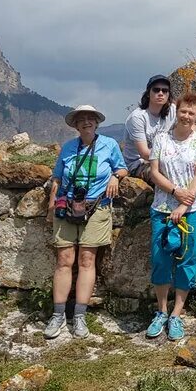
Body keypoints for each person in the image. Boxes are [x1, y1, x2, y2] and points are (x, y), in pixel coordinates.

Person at [46, 104, 128, 340]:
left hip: (97, 207)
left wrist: (114, 176)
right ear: (76, 125)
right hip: (68, 206)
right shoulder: (69, 148)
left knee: (87, 259)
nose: (86, 122)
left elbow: (122, 168)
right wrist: (52, 205)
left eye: (90, 118)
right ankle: (58, 314)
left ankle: (79, 315)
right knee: (64, 259)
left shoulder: (109, 145)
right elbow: (57, 178)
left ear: (97, 122)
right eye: (81, 119)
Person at [146, 91, 196, 342]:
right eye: (183, 111)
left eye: (191, 113)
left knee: (187, 259)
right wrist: (174, 191)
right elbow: (154, 172)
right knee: (161, 257)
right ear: (177, 111)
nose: (186, 116)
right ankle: (161, 311)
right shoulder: (161, 139)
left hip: (195, 208)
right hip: (163, 206)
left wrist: (183, 205)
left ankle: (177, 313)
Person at [124, 75, 176, 180]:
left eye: (165, 91)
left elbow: (190, 127)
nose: (160, 93)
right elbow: (144, 153)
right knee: (168, 173)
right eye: (156, 90)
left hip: (163, 159)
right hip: (139, 164)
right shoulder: (138, 117)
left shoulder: (172, 111)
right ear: (148, 93)